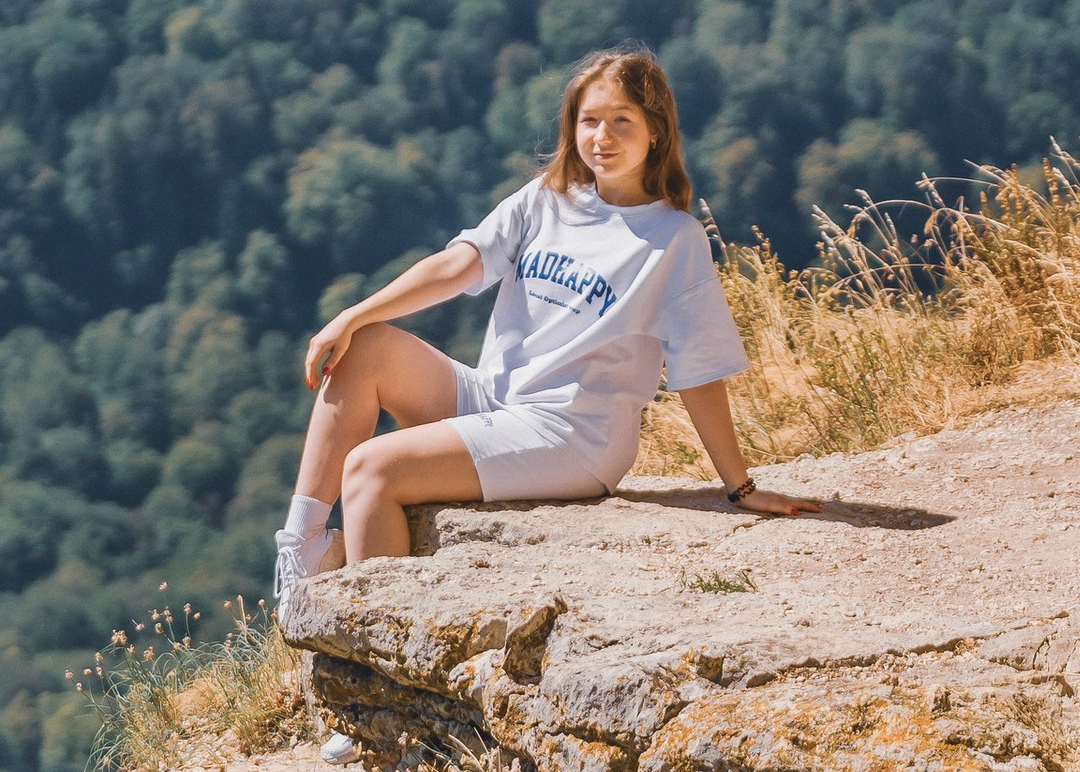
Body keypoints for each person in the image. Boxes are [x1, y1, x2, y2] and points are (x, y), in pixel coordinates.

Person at [274, 48, 815, 600]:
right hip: (496, 400)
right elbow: (457, 265)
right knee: (365, 347)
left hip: (572, 436)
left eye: (621, 120)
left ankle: (375, 659)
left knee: (372, 469)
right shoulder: (547, 199)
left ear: (656, 130)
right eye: (589, 120)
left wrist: (739, 487)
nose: (602, 136)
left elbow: (697, 371)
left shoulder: (673, 240)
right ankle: (304, 548)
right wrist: (352, 314)